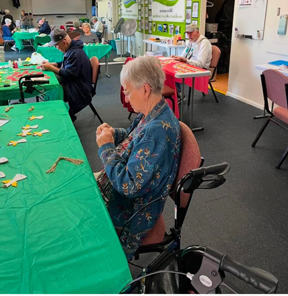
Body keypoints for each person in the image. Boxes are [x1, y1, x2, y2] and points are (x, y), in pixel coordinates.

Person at [95, 56, 181, 260]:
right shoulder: (154, 112)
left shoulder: (156, 132)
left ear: (144, 89)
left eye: (127, 91)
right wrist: (113, 134)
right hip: (132, 196)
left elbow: (128, 186)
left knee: (82, 218)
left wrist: (107, 147)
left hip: (133, 212)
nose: (125, 97)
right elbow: (133, 136)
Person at [40, 29, 92, 121]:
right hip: (77, 83)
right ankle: (58, 113)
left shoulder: (75, 53)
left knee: (53, 88)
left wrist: (51, 68)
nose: (56, 47)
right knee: (52, 83)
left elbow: (68, 74)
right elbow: (67, 63)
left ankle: (62, 115)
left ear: (64, 42)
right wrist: (54, 64)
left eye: (56, 45)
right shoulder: (72, 49)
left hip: (79, 89)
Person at [172, 24, 212, 99]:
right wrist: (177, 57)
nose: (189, 35)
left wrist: (185, 61)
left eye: (191, 33)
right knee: (172, 69)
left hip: (201, 69)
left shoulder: (204, 43)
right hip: (190, 64)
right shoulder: (191, 41)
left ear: (197, 32)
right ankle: (176, 94)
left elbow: (200, 64)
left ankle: (179, 95)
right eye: (187, 33)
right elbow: (184, 54)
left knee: (175, 72)